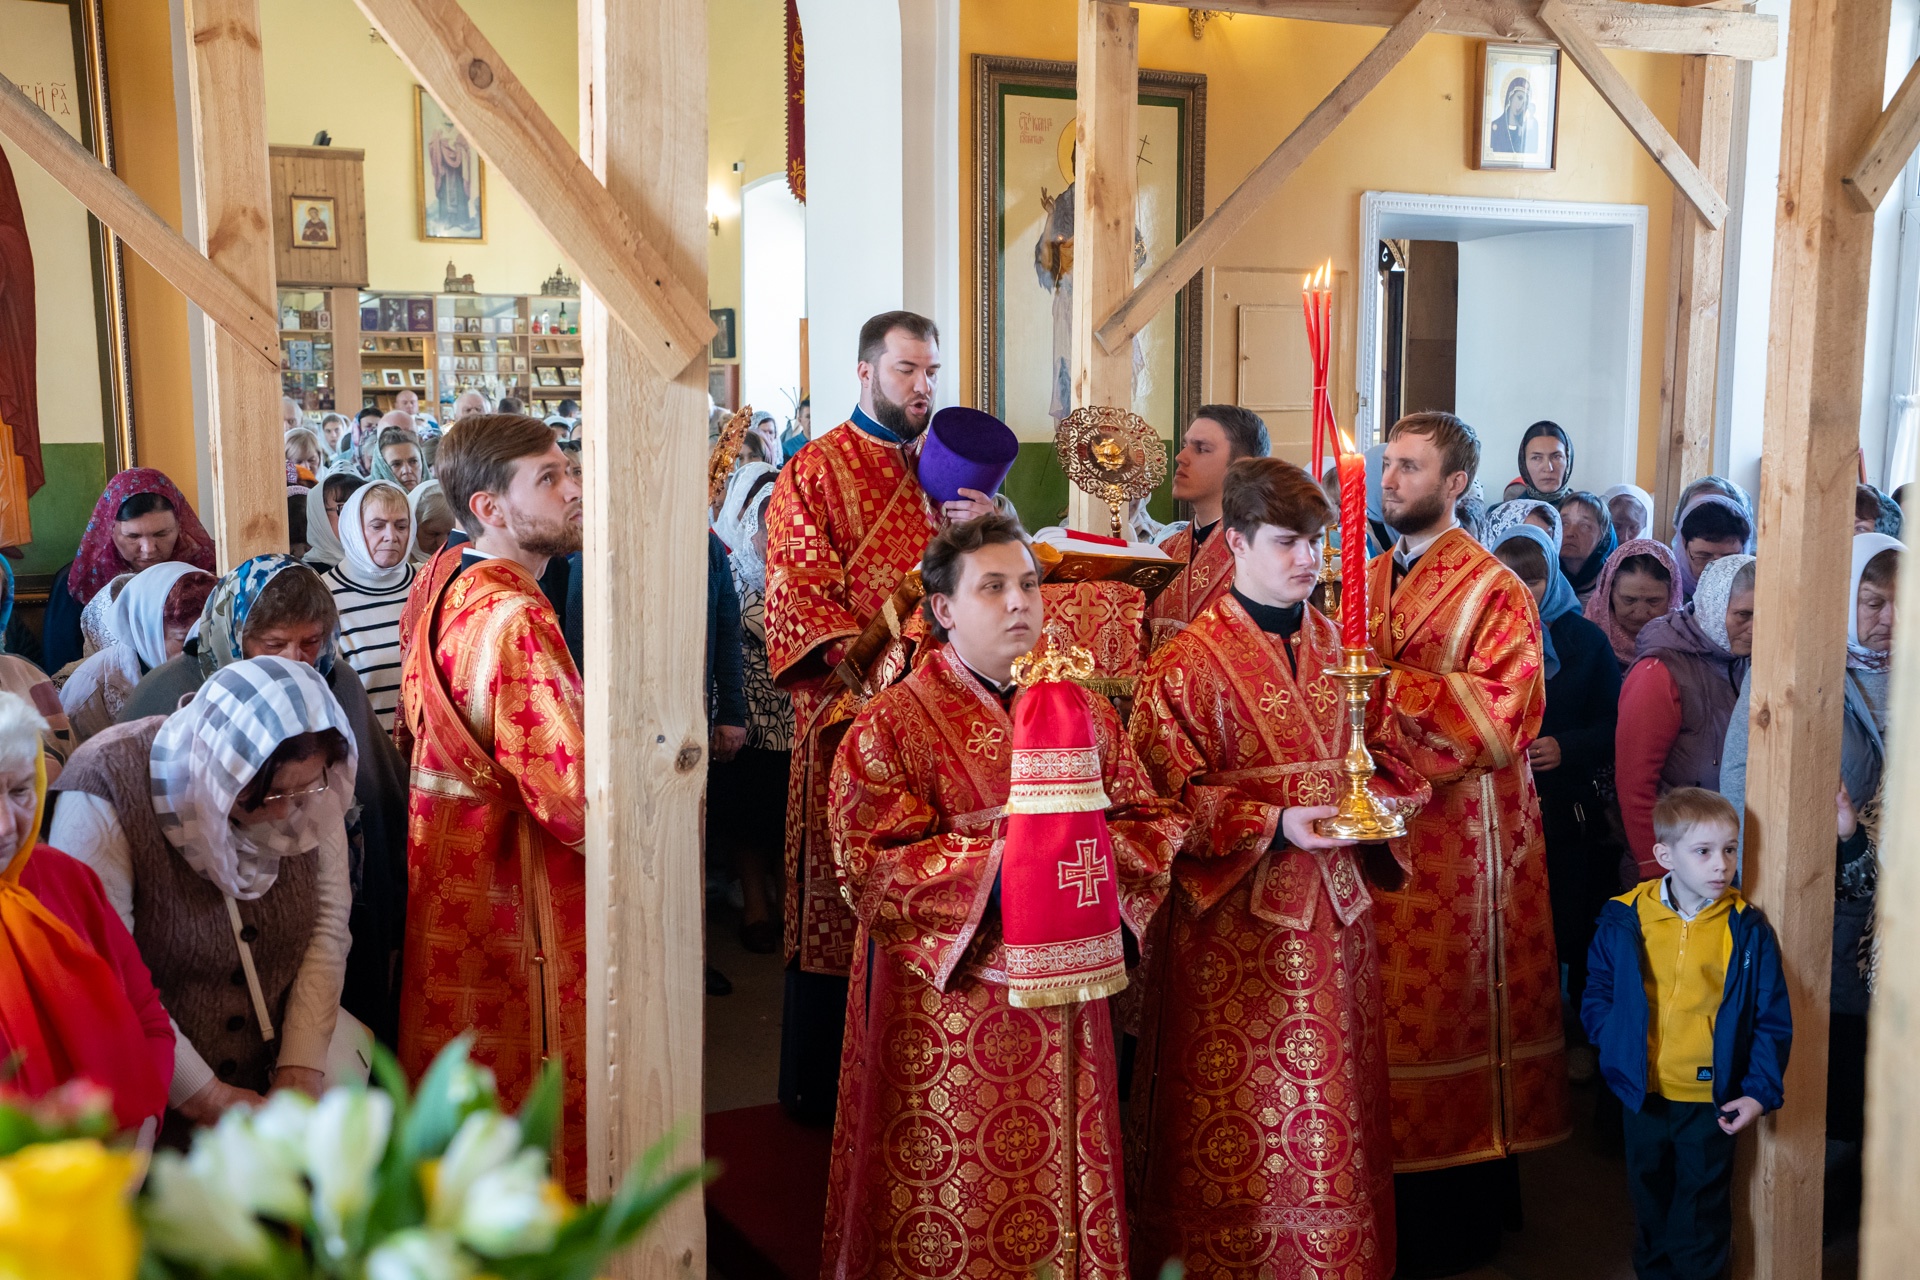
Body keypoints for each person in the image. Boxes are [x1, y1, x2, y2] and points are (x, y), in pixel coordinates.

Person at [821, 513, 1183, 1279]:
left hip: (1069, 1002)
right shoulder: (889, 725)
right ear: (944, 609)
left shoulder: (1084, 712)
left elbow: (1151, 822)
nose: (1020, 602)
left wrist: (1086, 870)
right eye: (993, 588)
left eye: (1028, 584)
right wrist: (1020, 859)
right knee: (955, 1193)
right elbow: (871, 865)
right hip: (950, 1014)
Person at [1128, 459, 1427, 1280]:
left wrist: (1386, 806)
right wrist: (1275, 821)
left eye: (1320, 542)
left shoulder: (1346, 654)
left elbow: (1396, 762)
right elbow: (1160, 799)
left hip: (1337, 926)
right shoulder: (1183, 665)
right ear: (1236, 543)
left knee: (1334, 1108)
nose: (1311, 560)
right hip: (1234, 940)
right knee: (1235, 1118)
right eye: (1290, 542)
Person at [762, 310, 990, 1125]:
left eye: (931, 372)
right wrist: (890, 679)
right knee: (843, 896)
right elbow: (798, 603)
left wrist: (983, 533)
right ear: (865, 372)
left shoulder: (951, 475)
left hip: (953, 730)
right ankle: (828, 1095)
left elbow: (995, 587)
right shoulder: (814, 472)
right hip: (853, 724)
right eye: (906, 372)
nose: (923, 388)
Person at [1365, 411, 1566, 1273]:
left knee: (1446, 1013)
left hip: (1465, 847)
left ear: (1453, 486)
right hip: (1373, 835)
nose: (1391, 480)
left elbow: (1500, 718)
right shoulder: (1362, 575)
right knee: (1379, 1021)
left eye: (1411, 468)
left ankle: (1456, 1216)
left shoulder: (1496, 591)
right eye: (1388, 465)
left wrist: (1374, 694)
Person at [394, 414, 588, 1196]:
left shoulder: (443, 577)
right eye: (548, 478)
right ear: (489, 508)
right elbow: (577, 801)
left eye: (567, 470)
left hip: (446, 870)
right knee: (520, 1105)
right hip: (512, 895)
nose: (573, 489)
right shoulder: (518, 619)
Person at [51, 657, 354, 1137]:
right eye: (270, 795)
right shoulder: (108, 782)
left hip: (269, 1095)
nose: (286, 815)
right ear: (224, 771)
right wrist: (205, 1096)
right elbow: (103, 970)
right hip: (149, 1104)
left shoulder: (309, 787)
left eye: (304, 792)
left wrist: (300, 1069)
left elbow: (327, 927)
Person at [119, 556, 411, 1052]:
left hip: (333, 918)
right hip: (206, 945)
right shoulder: (169, 692)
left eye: (310, 642)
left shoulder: (335, 682)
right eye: (273, 644)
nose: (295, 661)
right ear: (234, 634)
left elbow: (380, 804)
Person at [1719, 535, 1897, 1224]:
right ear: (1839, 597)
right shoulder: (1796, 669)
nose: (1887, 617)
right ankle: (1803, 1211)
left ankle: (1858, 1202)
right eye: (1871, 600)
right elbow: (1741, 780)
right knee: (1822, 1051)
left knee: (1875, 1065)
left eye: (1898, 602)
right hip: (1815, 895)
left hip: (1894, 902)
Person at [1582, 788, 1791, 1280]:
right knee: (1649, 1200)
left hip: (1708, 1101)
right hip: (1644, 1094)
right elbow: (1599, 990)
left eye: (1730, 849)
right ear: (1664, 856)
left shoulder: (1746, 929)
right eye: (1703, 851)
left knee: (1701, 1214)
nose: (1721, 865)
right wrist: (1613, 1042)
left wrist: (1759, 1092)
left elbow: (1770, 1018)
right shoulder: (1626, 916)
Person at [0, 689, 172, 1133]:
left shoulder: (67, 880)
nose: (6, 825)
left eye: (20, 791)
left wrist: (141, 1132)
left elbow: (148, 1018)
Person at [1492, 523, 1621, 1076]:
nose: (1524, 590)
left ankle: (1573, 1035)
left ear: (1553, 577)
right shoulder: (1482, 634)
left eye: (1535, 578)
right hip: (1496, 806)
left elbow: (1614, 723)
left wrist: (1564, 747)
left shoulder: (1582, 639)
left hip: (1564, 807)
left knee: (1569, 919)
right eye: (1511, 578)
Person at [1615, 553, 1755, 878]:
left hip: (1725, 859)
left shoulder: (1748, 660)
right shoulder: (1659, 672)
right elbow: (1636, 786)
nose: (1755, 628)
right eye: (1743, 615)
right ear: (1713, 604)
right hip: (1676, 863)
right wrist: (1658, 871)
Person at [712, 463, 787, 954]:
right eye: (769, 530)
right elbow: (727, 647)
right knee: (748, 817)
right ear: (751, 528)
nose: (776, 541)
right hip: (749, 721)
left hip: (792, 717)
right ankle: (757, 906)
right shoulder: (734, 572)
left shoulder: (804, 576)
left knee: (785, 814)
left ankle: (789, 904)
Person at [40, 470, 216, 675]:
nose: (149, 548)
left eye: (161, 534)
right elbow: (59, 668)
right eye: (133, 536)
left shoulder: (204, 570)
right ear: (109, 530)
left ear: (179, 525)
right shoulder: (81, 582)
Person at [1146, 405, 1271, 650]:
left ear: (1241, 468)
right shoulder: (1166, 551)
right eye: (1185, 444)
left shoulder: (1259, 554)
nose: (1181, 456)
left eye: (1201, 449)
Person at [60, 563, 213, 745]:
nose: (201, 647)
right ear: (146, 631)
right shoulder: (93, 688)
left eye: (210, 635)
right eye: (183, 638)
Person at [321, 481, 415, 731]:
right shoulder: (324, 595)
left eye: (401, 526)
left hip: (428, 757)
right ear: (353, 528)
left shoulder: (427, 583)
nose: (391, 536)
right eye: (377, 526)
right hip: (367, 756)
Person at [1586, 539, 1682, 671]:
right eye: (1629, 600)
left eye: (1653, 601)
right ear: (1608, 594)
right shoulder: (1585, 642)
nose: (1640, 613)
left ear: (1672, 597)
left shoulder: (1687, 649)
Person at [1672, 492, 1753, 600]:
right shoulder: (1664, 588)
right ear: (1683, 545)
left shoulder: (1758, 590)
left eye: (1729, 558)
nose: (1716, 569)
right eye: (1703, 556)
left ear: (1744, 549)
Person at [1558, 489, 1618, 603]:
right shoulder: (1545, 576)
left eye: (1584, 526)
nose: (1570, 533)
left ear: (1603, 535)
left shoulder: (1613, 583)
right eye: (1564, 523)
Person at [304, 471, 365, 572]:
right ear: (319, 517)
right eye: (344, 509)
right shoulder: (305, 577)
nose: (355, 518)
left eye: (362, 509)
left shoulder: (384, 566)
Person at [1502, 419, 1574, 503]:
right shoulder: (1506, 513)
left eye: (1556, 457)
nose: (1548, 468)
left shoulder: (1586, 512)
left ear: (1568, 460)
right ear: (1524, 463)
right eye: (1536, 458)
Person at [407, 479, 455, 560]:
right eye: (433, 534)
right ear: (412, 528)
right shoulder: (400, 569)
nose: (442, 543)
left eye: (451, 534)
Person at [372, 423, 427, 492]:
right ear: (383, 469)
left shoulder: (441, 497)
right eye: (396, 464)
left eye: (413, 461)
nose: (407, 471)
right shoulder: (366, 501)